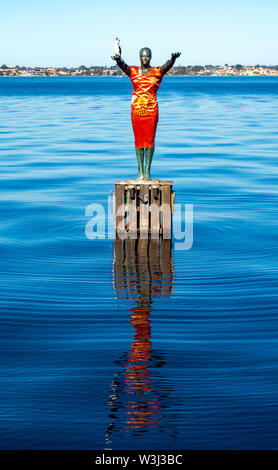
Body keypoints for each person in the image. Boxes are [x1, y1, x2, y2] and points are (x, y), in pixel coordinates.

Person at [111, 47, 181, 180]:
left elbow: (165, 68)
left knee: (149, 141)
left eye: (147, 56)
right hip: (136, 110)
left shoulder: (156, 72)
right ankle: (140, 172)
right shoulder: (133, 71)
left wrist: (172, 59)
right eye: (143, 56)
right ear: (139, 57)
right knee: (138, 141)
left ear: (150, 57)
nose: (145, 59)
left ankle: (147, 172)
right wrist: (118, 60)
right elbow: (123, 66)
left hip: (151, 111)